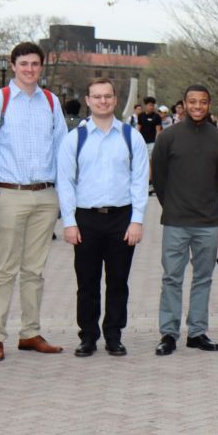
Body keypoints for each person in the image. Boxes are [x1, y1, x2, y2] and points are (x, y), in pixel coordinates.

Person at [0, 41, 69, 362]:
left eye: (34, 64)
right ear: (13, 66)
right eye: (24, 64)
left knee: (34, 270)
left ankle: (30, 333)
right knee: (5, 269)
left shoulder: (50, 101)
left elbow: (62, 150)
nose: (29, 69)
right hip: (8, 193)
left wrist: (62, 196)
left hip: (45, 195)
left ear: (40, 67)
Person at [59, 78, 148, 357]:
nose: (102, 101)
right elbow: (65, 182)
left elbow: (140, 180)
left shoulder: (130, 137)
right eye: (96, 97)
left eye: (107, 96)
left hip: (121, 218)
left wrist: (137, 219)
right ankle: (88, 336)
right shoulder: (75, 138)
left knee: (118, 282)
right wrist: (69, 222)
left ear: (115, 99)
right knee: (87, 283)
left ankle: (114, 335)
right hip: (86, 219)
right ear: (87, 100)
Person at [150, 84, 218, 356]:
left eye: (203, 102)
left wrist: (205, 204)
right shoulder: (168, 138)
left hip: (208, 221)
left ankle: (197, 332)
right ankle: (169, 333)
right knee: (172, 278)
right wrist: (172, 204)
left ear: (209, 105)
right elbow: (159, 178)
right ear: (183, 105)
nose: (198, 107)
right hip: (175, 220)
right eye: (192, 102)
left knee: (203, 278)